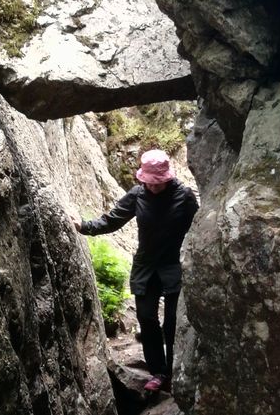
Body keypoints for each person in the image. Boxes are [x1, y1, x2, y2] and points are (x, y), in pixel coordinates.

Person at [71, 149, 198, 392]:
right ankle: (158, 372)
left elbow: (199, 227)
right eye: (149, 182)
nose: (153, 187)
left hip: (174, 265)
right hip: (146, 267)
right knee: (146, 317)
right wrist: (84, 226)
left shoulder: (184, 197)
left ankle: (174, 372)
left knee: (172, 322)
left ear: (167, 178)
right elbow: (113, 219)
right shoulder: (138, 195)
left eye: (158, 182)